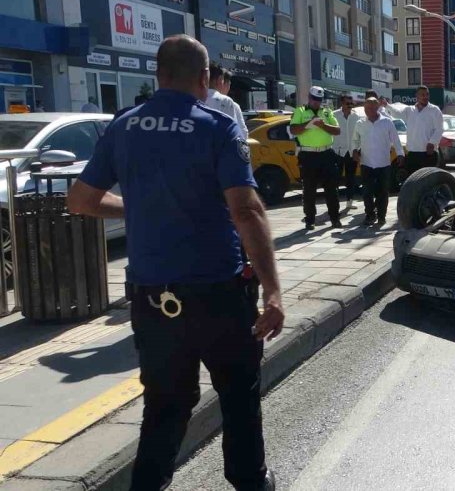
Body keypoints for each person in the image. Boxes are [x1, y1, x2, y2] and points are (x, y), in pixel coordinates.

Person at [66, 34, 282, 491]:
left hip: (152, 300)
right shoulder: (217, 126)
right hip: (218, 294)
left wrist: (136, 207)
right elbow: (246, 210)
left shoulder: (123, 126)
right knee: (239, 397)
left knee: (164, 406)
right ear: (205, 79)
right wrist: (274, 291)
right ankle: (250, 482)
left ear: (158, 76)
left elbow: (81, 201)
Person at [289, 86, 342, 230]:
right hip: (308, 154)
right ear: (309, 98)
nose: (316, 103)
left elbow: (337, 131)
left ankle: (335, 218)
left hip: (326, 153)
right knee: (309, 189)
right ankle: (310, 219)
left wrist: (323, 125)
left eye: (319, 100)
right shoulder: (300, 111)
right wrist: (309, 124)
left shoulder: (327, 112)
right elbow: (293, 130)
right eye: (314, 100)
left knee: (331, 188)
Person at [352, 95, 403, 227]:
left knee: (382, 192)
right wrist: (354, 150)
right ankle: (369, 215)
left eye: (371, 107)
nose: (368, 110)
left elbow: (396, 140)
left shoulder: (387, 122)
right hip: (366, 163)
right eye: (366, 108)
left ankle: (381, 216)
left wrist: (400, 154)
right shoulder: (360, 124)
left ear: (377, 108)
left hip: (383, 163)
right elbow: (355, 140)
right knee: (367, 192)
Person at [383, 85, 443, 173]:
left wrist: (432, 142)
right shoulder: (409, 110)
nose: (425, 97)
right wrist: (387, 105)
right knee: (413, 181)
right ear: (417, 96)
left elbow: (439, 129)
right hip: (412, 153)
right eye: (422, 95)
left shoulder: (435, 110)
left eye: (427, 94)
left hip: (428, 153)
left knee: (427, 181)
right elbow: (397, 114)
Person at [332, 94, 360, 210]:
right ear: (342, 103)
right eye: (347, 103)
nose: (350, 106)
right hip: (337, 152)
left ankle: (349, 201)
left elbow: (359, 135)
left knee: (351, 178)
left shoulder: (356, 117)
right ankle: (334, 203)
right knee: (335, 179)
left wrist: (357, 150)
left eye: (351, 103)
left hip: (351, 151)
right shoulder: (334, 116)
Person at [206, 63, 248, 139]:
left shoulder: (194, 98)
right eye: (228, 83)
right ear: (219, 80)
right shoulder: (226, 101)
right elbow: (239, 133)